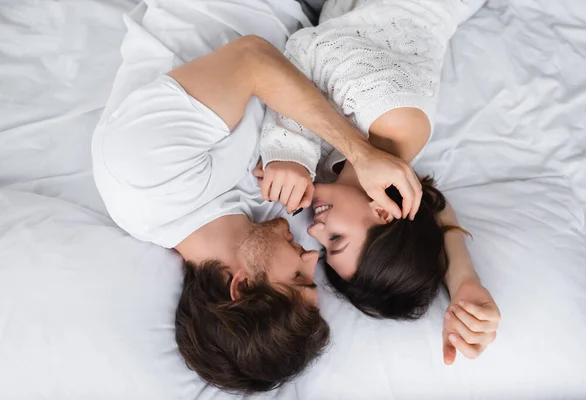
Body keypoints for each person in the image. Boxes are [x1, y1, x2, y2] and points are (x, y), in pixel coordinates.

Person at [92, 0, 423, 393]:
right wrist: (465, 281)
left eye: (299, 278)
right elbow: (399, 213)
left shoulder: (144, 182)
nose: (312, 256)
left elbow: (251, 59)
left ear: (242, 286)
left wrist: (358, 151)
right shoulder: (270, 221)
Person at [256, 0, 501, 365]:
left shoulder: (349, 180)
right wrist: (289, 152)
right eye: (336, 239)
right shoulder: (397, 117)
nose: (315, 230)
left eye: (325, 247)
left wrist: (464, 281)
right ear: (385, 214)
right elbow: (306, 49)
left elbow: (434, 208)